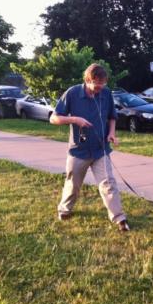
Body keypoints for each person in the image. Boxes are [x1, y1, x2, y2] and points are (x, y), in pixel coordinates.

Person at [50, 63, 130, 231]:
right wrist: (74, 119)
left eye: (103, 84)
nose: (100, 88)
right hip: (78, 151)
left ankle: (119, 218)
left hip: (101, 149)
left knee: (109, 183)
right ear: (87, 80)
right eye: (97, 84)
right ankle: (64, 210)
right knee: (73, 183)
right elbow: (54, 118)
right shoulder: (72, 93)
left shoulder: (106, 93)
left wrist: (112, 133)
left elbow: (112, 117)